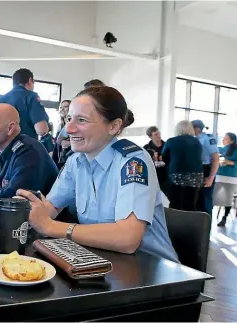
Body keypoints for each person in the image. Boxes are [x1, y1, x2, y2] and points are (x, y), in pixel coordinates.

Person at [17, 86, 178, 263]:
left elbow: (128, 239)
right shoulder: (76, 161)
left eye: (82, 120)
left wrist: (50, 226)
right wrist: (21, 213)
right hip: (102, 261)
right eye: (68, 119)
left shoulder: (132, 161)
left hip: (152, 271)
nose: (69, 129)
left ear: (114, 126)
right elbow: (51, 208)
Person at [161, 121, 203, 211]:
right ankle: (190, 223)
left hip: (177, 173)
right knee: (191, 204)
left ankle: (175, 223)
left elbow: (164, 157)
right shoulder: (197, 141)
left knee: (175, 203)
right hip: (196, 175)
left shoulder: (171, 141)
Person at [0, 68, 49, 139]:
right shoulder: (31, 97)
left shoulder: (2, 99)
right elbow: (41, 130)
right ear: (30, 80)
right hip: (25, 145)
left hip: (3, 145)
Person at [192, 119, 220, 216]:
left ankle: (205, 227)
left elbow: (216, 159)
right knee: (196, 200)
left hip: (206, 170)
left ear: (197, 128)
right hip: (197, 170)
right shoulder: (193, 139)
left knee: (205, 200)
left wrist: (211, 177)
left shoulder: (207, 139)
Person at [214, 132, 237, 226]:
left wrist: (230, 162)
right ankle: (208, 216)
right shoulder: (222, 149)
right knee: (214, 196)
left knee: (228, 198)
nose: (223, 139)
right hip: (219, 175)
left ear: (232, 140)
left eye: (226, 138)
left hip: (231, 177)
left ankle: (224, 218)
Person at [143, 126, 168, 194]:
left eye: (159, 133)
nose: (159, 136)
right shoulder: (146, 148)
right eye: (156, 134)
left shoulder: (167, 145)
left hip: (166, 178)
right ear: (150, 137)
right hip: (153, 179)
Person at [52, 100, 72, 169]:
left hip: (69, 162)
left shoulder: (74, 125)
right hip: (58, 161)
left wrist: (70, 143)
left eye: (65, 106)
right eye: (60, 107)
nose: (62, 109)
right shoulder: (60, 126)